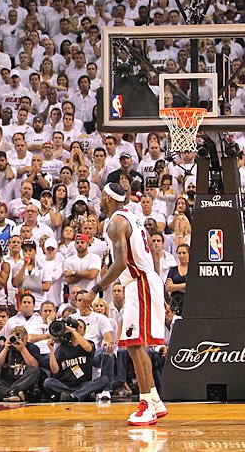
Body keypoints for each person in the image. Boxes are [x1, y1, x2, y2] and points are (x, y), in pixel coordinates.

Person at [87, 182, 167, 426]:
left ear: (108, 198)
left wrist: (96, 290)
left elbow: (120, 263)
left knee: (134, 345)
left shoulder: (116, 223)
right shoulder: (133, 218)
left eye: (102, 196)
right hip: (144, 281)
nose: (100, 200)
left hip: (139, 283)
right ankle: (154, 400)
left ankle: (145, 405)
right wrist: (154, 281)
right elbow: (153, 253)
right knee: (136, 345)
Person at [42, 318, 109, 402]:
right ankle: (81, 395)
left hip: (83, 384)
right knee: (48, 382)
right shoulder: (62, 347)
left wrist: (73, 331)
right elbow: (54, 370)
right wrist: (51, 351)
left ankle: (72, 396)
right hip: (65, 384)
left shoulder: (88, 343)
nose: (77, 328)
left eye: (80, 327)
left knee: (103, 380)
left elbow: (88, 348)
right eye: (76, 326)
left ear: (84, 332)